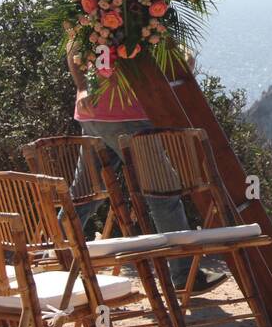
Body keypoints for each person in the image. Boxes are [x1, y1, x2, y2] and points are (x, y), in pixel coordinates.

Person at [66, 49, 226, 292]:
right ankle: (183, 274)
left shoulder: (91, 16)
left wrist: (82, 89)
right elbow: (180, 59)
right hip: (128, 116)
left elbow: (74, 50)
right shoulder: (137, 13)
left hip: (92, 116)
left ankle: (56, 257)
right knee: (163, 194)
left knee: (84, 196)